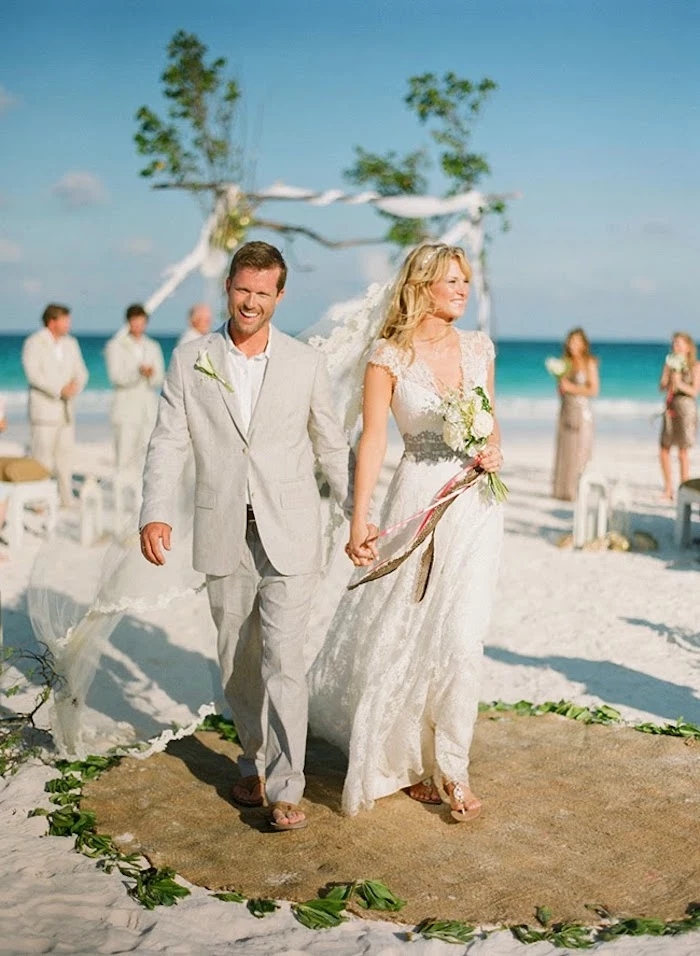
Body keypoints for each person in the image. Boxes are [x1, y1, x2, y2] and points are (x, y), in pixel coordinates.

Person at [139, 241, 356, 831]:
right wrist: (155, 511)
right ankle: (253, 761)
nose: (251, 302)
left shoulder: (305, 364)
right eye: (243, 290)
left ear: (280, 296)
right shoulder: (190, 359)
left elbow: (331, 446)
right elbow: (168, 442)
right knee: (238, 660)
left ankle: (287, 787)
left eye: (264, 293)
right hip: (222, 529)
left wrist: (358, 510)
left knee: (285, 661)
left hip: (291, 532)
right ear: (228, 288)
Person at [308, 243, 505, 821]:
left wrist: (494, 450)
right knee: (411, 630)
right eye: (452, 280)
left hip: (475, 504)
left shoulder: (478, 348)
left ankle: (453, 768)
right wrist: (359, 515)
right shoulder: (388, 355)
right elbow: (372, 440)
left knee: (463, 635)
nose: (464, 290)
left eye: (466, 280)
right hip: (416, 499)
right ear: (421, 286)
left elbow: (492, 418)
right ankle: (413, 761)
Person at [21, 304, 89, 507]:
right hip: (44, 411)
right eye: (65, 319)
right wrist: (59, 389)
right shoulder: (34, 342)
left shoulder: (71, 343)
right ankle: (38, 501)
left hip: (67, 411)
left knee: (65, 458)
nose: (69, 323)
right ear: (52, 321)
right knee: (42, 458)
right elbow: (33, 375)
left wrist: (75, 387)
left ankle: (65, 498)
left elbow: (82, 371)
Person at [105, 304, 165, 476]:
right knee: (124, 455)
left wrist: (150, 374)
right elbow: (116, 376)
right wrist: (138, 372)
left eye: (142, 321)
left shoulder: (152, 346)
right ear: (129, 322)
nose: (138, 325)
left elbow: (159, 378)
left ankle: (140, 498)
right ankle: (122, 497)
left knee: (147, 455)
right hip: (125, 409)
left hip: (147, 409)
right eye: (135, 321)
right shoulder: (116, 345)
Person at [552, 328, 599, 501]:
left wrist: (571, 388)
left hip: (582, 410)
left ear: (584, 344)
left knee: (581, 449)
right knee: (566, 448)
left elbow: (593, 390)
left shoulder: (589, 362)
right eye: (571, 341)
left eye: (577, 341)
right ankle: (564, 490)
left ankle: (579, 489)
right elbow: (562, 389)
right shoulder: (565, 362)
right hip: (566, 408)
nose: (573, 345)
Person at [659, 332, 700, 501]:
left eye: (679, 343)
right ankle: (668, 489)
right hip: (671, 405)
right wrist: (669, 378)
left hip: (686, 407)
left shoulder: (695, 366)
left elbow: (694, 392)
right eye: (674, 343)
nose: (675, 346)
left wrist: (679, 383)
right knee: (664, 449)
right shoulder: (669, 363)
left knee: (683, 451)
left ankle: (683, 488)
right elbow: (661, 387)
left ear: (688, 347)